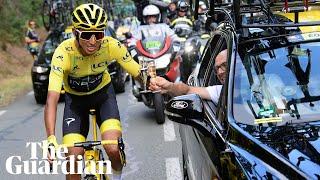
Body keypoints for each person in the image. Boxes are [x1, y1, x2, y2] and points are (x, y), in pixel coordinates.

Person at [44, 3, 142, 180]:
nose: (92, 41)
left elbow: (136, 71)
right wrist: (50, 137)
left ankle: (117, 176)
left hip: (103, 97)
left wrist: (150, 81)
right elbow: (52, 98)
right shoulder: (63, 53)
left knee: (113, 148)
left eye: (98, 34)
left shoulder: (111, 45)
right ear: (75, 32)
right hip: (76, 103)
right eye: (87, 34)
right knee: (72, 160)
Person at [149, 49, 228, 103]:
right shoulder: (220, 91)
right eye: (217, 68)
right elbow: (187, 90)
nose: (220, 72)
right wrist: (169, 86)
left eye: (224, 65)